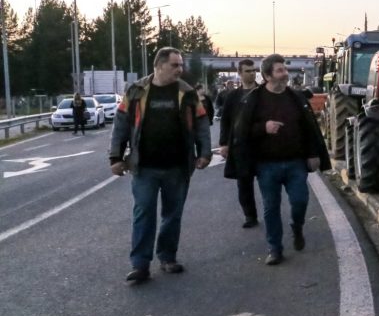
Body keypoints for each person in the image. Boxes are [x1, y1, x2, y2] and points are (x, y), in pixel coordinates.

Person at [109, 47, 212, 284]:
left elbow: (201, 124)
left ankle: (167, 257)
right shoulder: (136, 91)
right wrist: (115, 157)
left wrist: (204, 153)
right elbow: (121, 124)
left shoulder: (187, 93)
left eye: (181, 65)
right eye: (175, 65)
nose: (180, 69)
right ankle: (140, 264)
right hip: (144, 167)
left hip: (177, 166)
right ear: (159, 65)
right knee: (143, 212)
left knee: (172, 214)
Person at [225, 54, 330, 265]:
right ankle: (274, 248)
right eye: (280, 70)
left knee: (300, 200)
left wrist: (313, 154)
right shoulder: (253, 100)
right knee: (271, 207)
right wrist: (263, 128)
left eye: (285, 69)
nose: (285, 74)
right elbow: (241, 131)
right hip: (266, 165)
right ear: (267, 76)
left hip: (295, 163)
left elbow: (309, 128)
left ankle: (297, 226)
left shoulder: (296, 98)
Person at [219, 60, 260, 228]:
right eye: (248, 71)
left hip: (261, 144)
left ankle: (271, 213)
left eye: (254, 70)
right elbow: (225, 120)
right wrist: (224, 143)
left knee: (268, 181)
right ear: (240, 73)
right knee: (244, 183)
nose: (252, 73)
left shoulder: (262, 93)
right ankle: (250, 216)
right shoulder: (233, 96)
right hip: (240, 146)